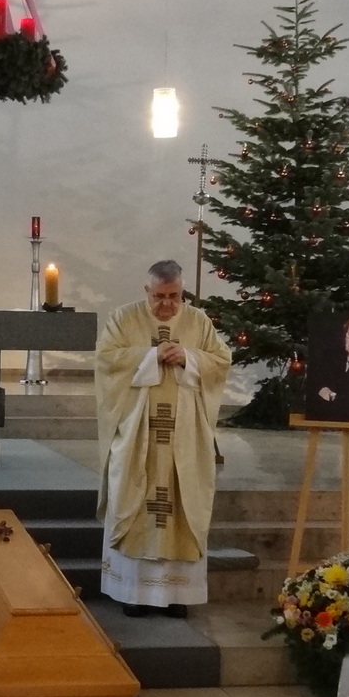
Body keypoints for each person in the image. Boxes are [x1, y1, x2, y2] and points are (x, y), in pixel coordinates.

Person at [96, 260, 231, 617]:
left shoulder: (198, 321)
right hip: (137, 433)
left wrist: (189, 357)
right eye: (159, 296)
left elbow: (221, 360)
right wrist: (150, 356)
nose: (168, 304)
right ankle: (133, 592)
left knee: (181, 502)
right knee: (134, 498)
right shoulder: (124, 319)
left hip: (184, 436)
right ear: (147, 291)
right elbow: (106, 360)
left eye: (175, 296)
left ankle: (176, 594)